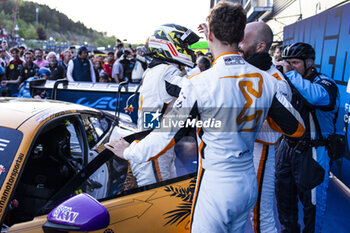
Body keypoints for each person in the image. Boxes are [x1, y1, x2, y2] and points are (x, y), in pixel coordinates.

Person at [105, 2, 305, 232]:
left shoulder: (198, 83)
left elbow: (166, 134)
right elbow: (297, 128)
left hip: (217, 186)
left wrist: (129, 151)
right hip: (247, 182)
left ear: (209, 34)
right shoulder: (268, 80)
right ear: (240, 36)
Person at [112, 23, 199, 187]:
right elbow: (197, 91)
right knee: (160, 207)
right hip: (154, 154)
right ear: (169, 45)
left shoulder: (155, 70)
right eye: (185, 45)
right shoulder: (166, 71)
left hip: (151, 148)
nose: (188, 49)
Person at [275, 42, 339, 233]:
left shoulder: (325, 83)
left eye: (295, 62)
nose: (289, 66)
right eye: (287, 63)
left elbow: (317, 98)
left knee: (313, 209)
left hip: (313, 153)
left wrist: (289, 73)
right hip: (286, 148)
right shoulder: (288, 82)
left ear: (309, 62)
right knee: (284, 202)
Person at [238, 21, 291, 233]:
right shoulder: (243, 70)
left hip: (260, 152)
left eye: (243, 39)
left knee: (260, 216)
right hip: (241, 154)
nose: (238, 44)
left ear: (260, 46)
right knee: (236, 212)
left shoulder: (276, 81)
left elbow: (277, 127)